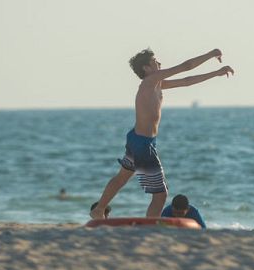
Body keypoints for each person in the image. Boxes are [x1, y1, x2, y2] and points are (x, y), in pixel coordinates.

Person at [90, 48, 234, 219]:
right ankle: (149, 228)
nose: (159, 63)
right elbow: (186, 66)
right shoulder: (150, 81)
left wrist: (216, 73)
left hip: (138, 139)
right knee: (160, 195)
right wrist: (211, 54)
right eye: (155, 61)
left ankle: (99, 210)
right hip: (143, 143)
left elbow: (187, 81)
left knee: (122, 177)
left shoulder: (157, 84)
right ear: (146, 68)